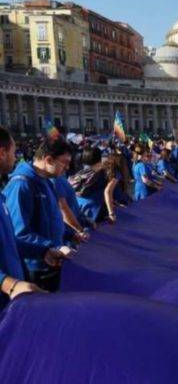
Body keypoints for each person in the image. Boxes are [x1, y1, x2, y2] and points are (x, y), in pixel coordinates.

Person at [2, 137, 77, 291]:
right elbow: (19, 233)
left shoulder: (46, 180)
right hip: (36, 267)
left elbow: (51, 216)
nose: (68, 168)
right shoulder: (22, 184)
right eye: (65, 162)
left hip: (48, 259)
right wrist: (49, 248)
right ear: (49, 159)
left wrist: (71, 234)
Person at [0, 128, 43, 307]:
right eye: (13, 151)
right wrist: (9, 284)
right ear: (2, 153)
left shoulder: (1, 196)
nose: (16, 157)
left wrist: (44, 252)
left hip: (13, 302)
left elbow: (9, 241)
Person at [71, 148, 120, 224]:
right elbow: (107, 192)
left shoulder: (80, 172)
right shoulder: (103, 172)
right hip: (95, 209)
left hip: (79, 206)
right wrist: (111, 213)